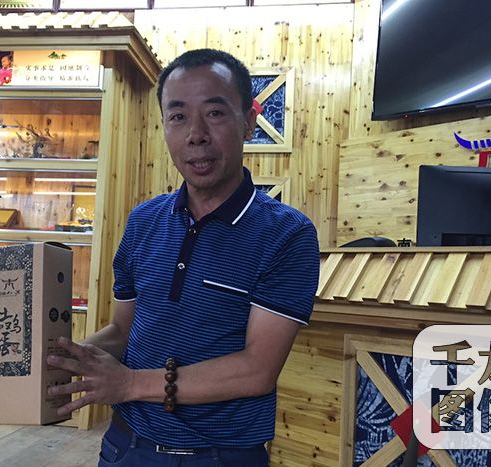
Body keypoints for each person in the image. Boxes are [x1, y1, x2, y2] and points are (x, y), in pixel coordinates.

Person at [47, 49, 320, 466]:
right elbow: (123, 330)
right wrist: (62, 360)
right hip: (125, 449)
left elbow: (257, 369)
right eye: (178, 116)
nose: (196, 134)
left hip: (220, 457)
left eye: (215, 113)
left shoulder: (287, 235)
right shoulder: (144, 221)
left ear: (249, 121)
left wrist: (130, 384)